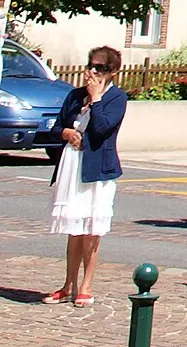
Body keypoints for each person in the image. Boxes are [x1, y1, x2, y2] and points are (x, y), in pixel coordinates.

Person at [45, 46, 126, 307]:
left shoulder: (116, 98)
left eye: (99, 68)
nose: (92, 72)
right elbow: (57, 126)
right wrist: (67, 133)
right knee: (74, 228)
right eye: (91, 65)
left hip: (98, 168)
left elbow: (102, 128)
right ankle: (68, 284)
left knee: (92, 228)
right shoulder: (75, 95)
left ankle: (86, 285)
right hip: (73, 163)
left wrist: (97, 98)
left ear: (112, 72)